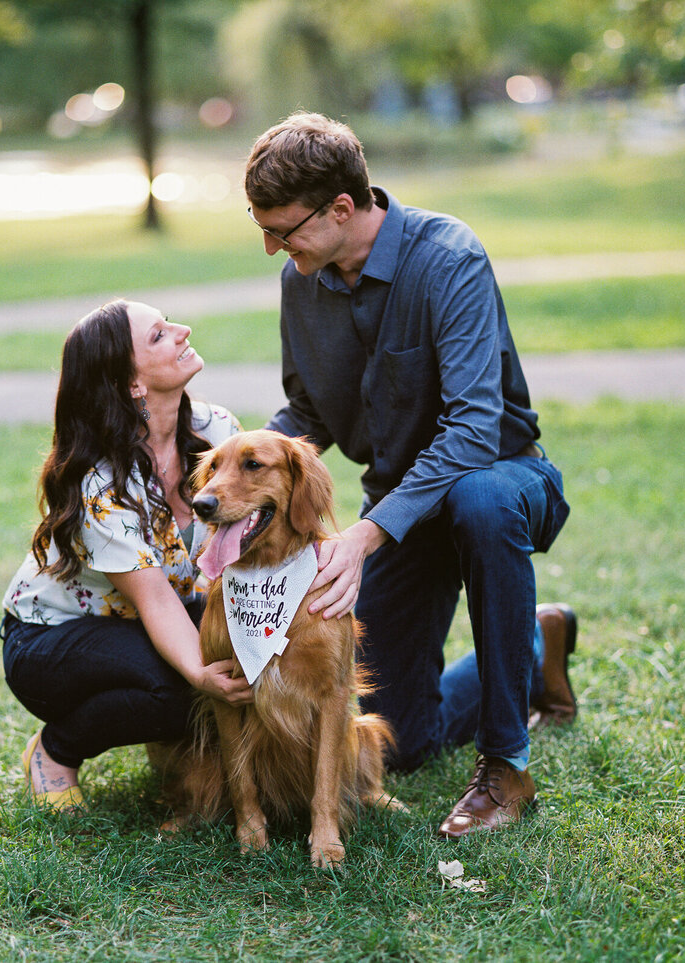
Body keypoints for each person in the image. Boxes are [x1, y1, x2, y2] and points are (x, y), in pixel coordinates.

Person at [243, 112, 578, 838]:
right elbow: (309, 411)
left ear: (341, 208)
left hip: (505, 477)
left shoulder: (449, 257)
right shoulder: (301, 280)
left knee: (480, 497)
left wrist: (364, 536)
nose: (272, 245)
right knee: (398, 738)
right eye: (260, 227)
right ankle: (533, 646)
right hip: (398, 506)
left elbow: (472, 430)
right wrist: (231, 476)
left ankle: (506, 766)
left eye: (283, 228)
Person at [0, 299, 251, 811]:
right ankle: (55, 751)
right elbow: (156, 600)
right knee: (182, 687)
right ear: (131, 383)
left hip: (155, 619)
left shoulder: (219, 429)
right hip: (54, 640)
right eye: (159, 335)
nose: (182, 331)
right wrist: (201, 674)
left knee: (242, 653)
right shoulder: (101, 478)